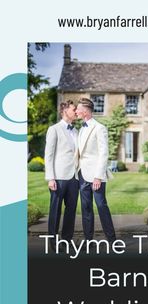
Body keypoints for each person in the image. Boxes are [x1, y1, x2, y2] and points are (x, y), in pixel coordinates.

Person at [75, 98, 116, 243]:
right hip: (81, 174)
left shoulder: (99, 128)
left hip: (95, 176)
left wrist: (98, 176)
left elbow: (103, 153)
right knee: (86, 208)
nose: (76, 111)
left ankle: (111, 240)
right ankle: (88, 240)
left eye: (78, 109)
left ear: (85, 111)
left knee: (101, 206)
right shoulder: (81, 129)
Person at [44, 100, 79, 251]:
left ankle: (66, 240)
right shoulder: (54, 129)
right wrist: (50, 177)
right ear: (65, 111)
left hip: (74, 178)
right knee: (55, 210)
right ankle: (53, 242)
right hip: (58, 177)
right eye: (73, 109)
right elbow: (49, 154)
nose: (76, 111)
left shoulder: (76, 131)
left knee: (71, 211)